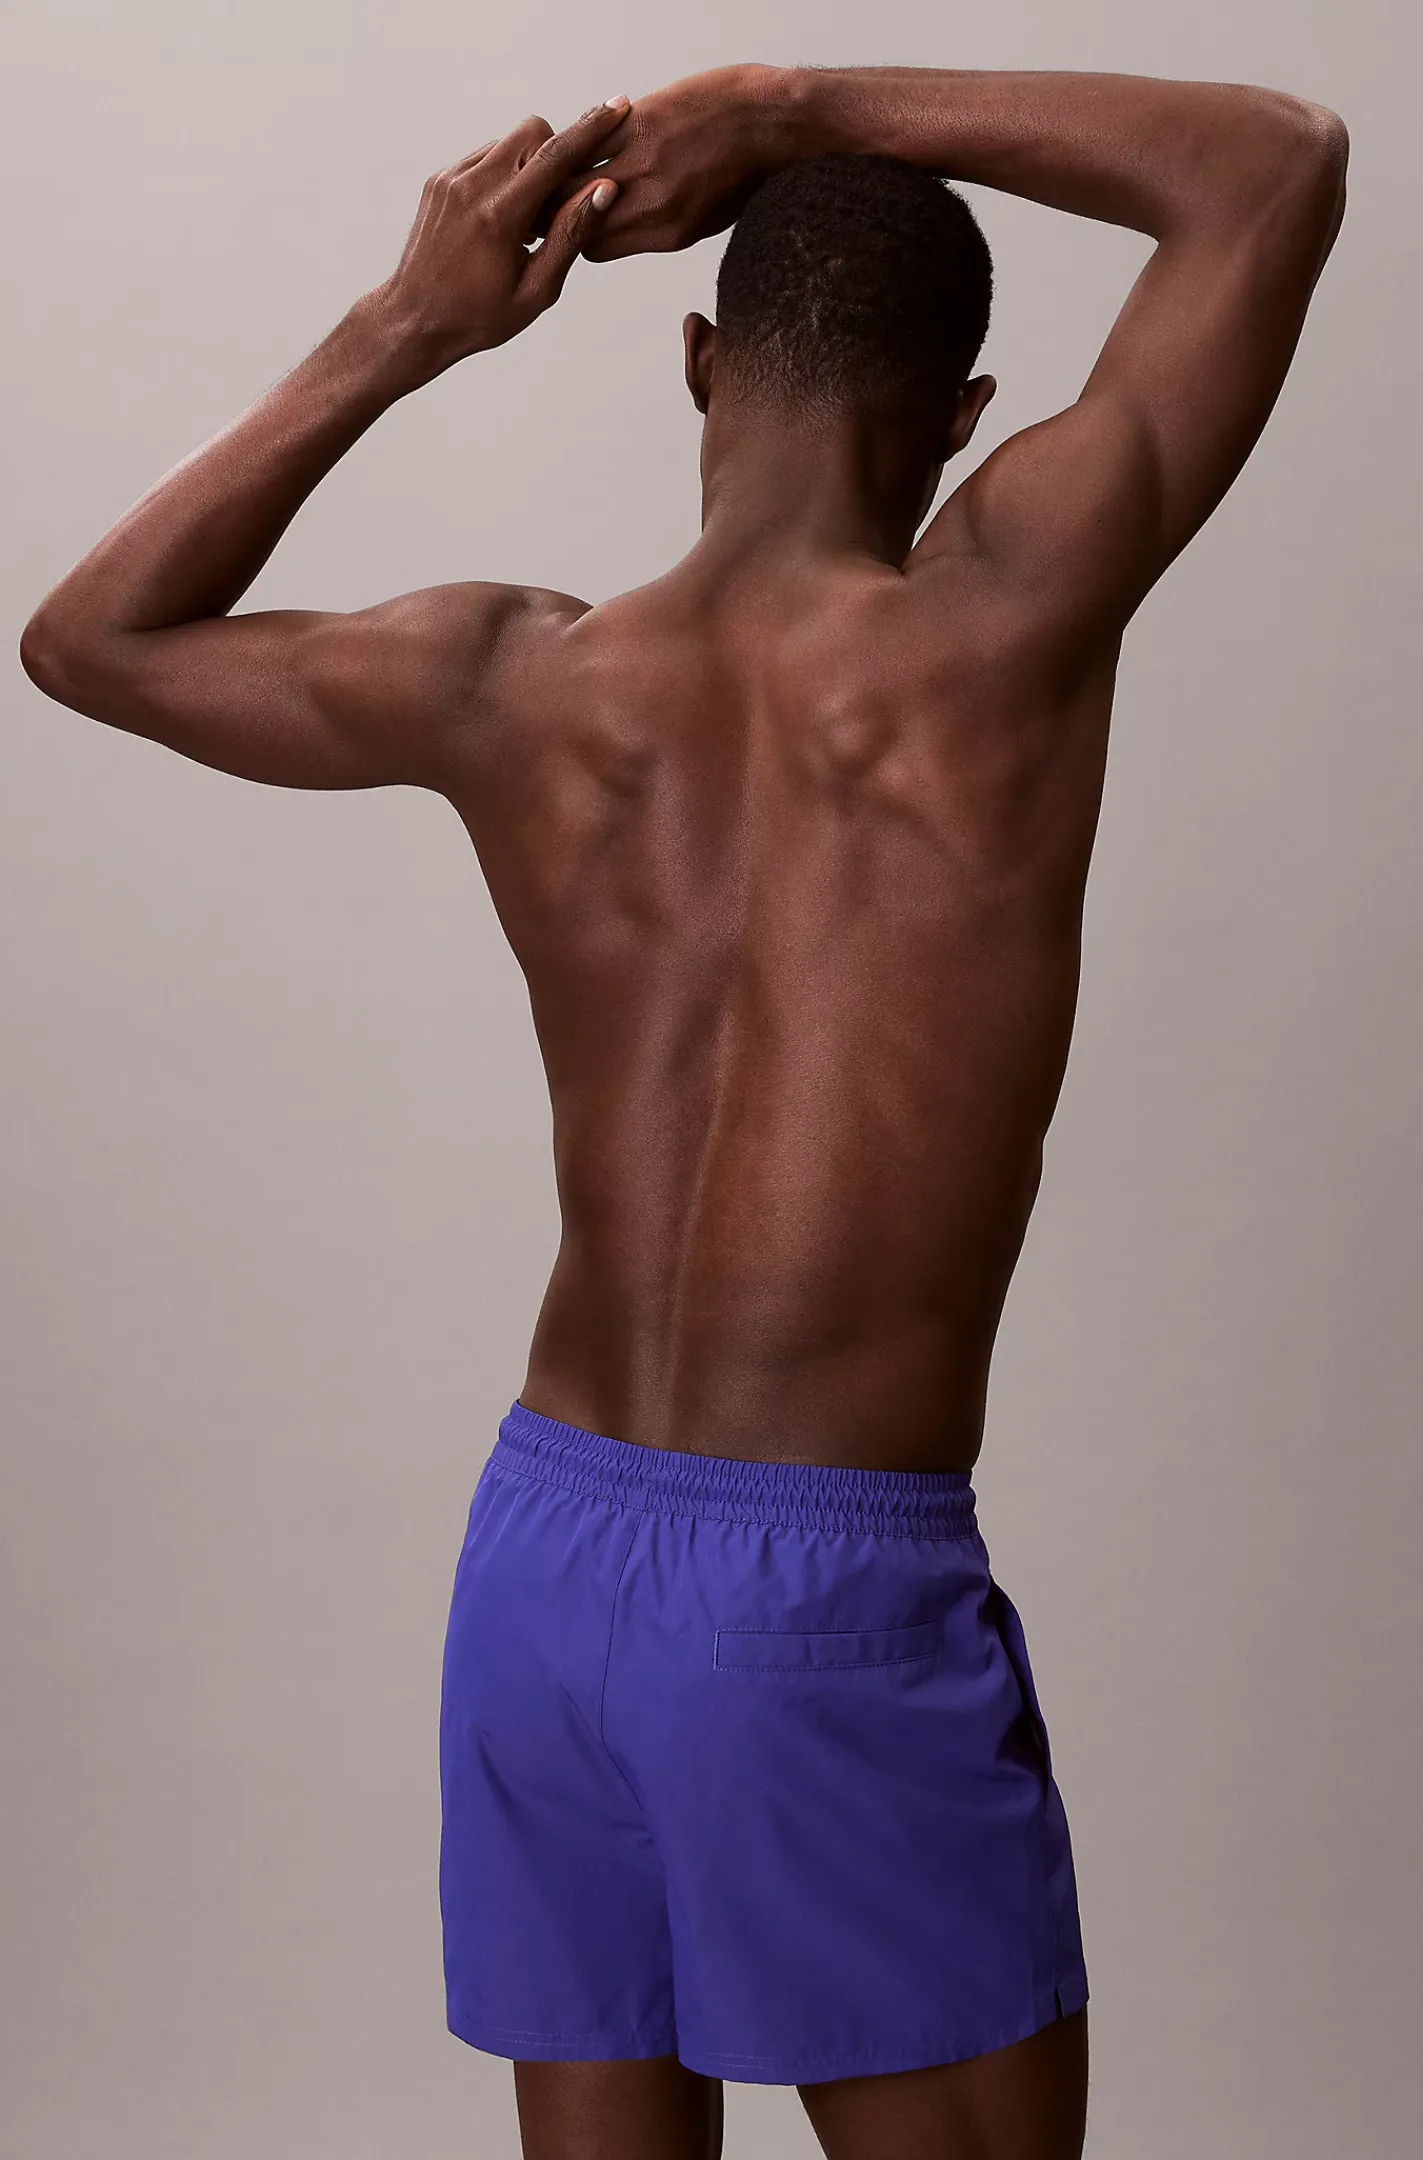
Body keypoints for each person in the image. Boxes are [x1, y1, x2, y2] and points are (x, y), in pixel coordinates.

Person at [19, 61, 1348, 2160]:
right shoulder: (1002, 622)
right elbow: (1271, 167)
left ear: (703, 362)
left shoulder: (506, 677)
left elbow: (89, 640)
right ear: (967, 415)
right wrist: (792, 99)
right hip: (818, 1594)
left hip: (541, 1561)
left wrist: (409, 326)